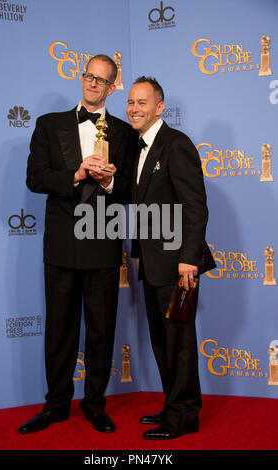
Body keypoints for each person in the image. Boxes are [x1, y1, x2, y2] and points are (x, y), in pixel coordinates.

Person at [19, 55, 137, 434]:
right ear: (81, 77)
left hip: (102, 242)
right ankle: (55, 405)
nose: (93, 84)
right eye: (89, 76)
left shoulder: (125, 133)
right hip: (61, 244)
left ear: (112, 87)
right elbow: (35, 178)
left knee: (102, 329)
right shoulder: (49, 125)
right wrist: (76, 173)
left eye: (102, 80)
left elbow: (132, 190)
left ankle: (95, 405)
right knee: (59, 328)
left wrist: (107, 183)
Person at [126, 77, 216, 440]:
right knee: (162, 341)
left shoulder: (176, 145)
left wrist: (189, 261)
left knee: (178, 341)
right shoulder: (138, 148)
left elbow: (195, 206)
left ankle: (185, 417)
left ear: (159, 107)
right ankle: (172, 406)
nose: (134, 108)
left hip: (180, 268)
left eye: (142, 102)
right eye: (130, 101)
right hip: (152, 265)